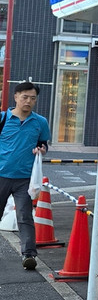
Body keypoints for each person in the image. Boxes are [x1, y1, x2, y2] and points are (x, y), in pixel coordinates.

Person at [0, 82, 51, 270]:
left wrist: (42, 150)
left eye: (33, 98)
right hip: (1, 175)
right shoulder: (3, 119)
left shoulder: (40, 122)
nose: (28, 101)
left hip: (25, 179)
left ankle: (29, 255)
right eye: (25, 97)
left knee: (25, 216)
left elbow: (43, 144)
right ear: (16, 97)